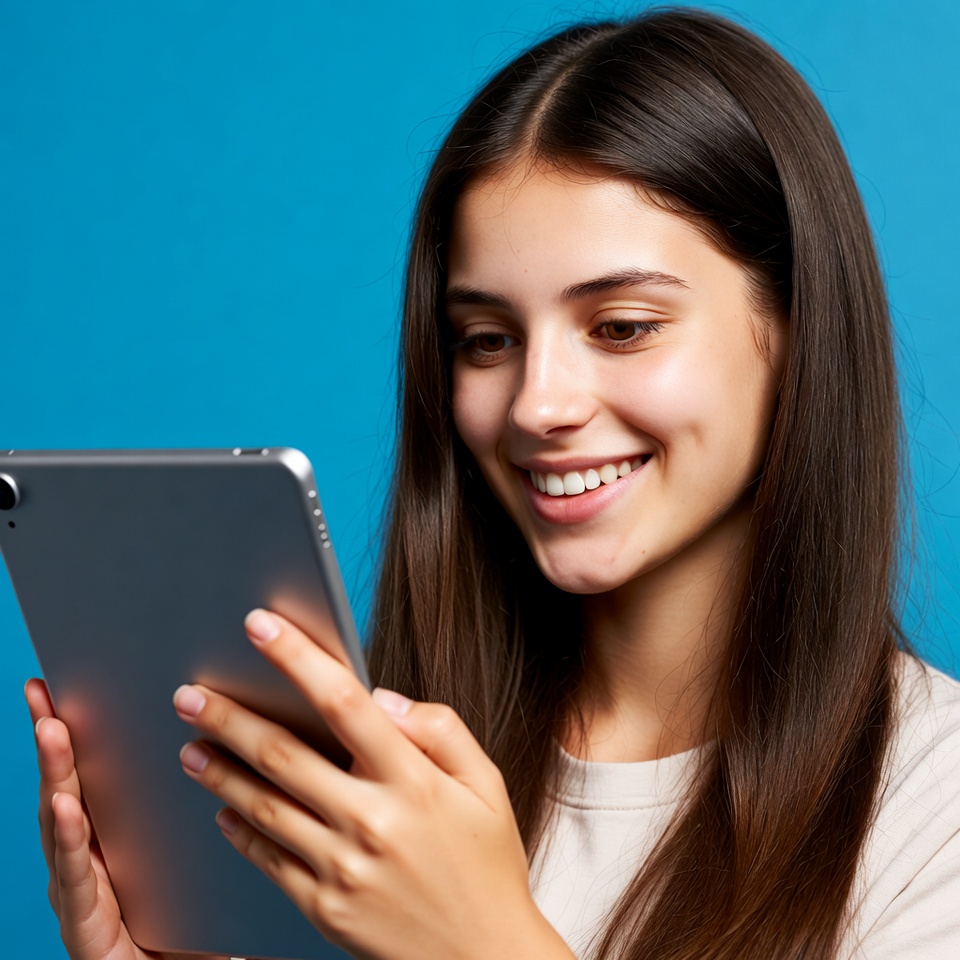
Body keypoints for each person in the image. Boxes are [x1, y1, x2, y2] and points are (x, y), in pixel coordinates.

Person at [24, 8, 960, 960]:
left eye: (623, 326)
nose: (536, 404)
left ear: (798, 334)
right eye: (488, 340)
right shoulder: (372, 793)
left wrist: (481, 942)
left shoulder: (937, 808)